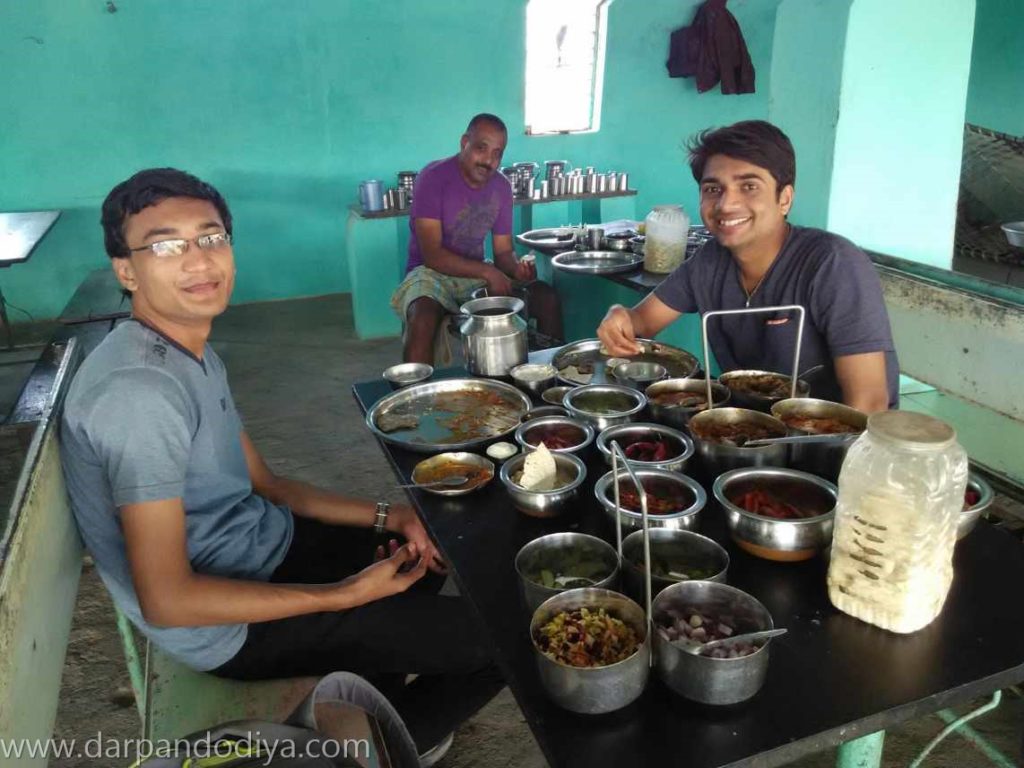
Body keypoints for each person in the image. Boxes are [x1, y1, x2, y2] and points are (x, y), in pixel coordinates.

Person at [60, 168, 503, 762]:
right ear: (126, 269)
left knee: (426, 549)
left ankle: (367, 684)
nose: (198, 260)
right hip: (221, 626)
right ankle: (395, 743)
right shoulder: (139, 394)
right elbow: (168, 599)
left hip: (261, 546)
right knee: (501, 642)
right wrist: (340, 597)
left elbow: (266, 483)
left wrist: (394, 515)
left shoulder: (189, 346)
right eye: (166, 244)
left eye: (211, 237)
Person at [598, 120, 898, 412]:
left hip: (832, 441)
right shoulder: (709, 261)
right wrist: (619, 316)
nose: (726, 205)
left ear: (785, 199)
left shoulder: (833, 264)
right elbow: (644, 321)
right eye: (713, 189)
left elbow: (869, 403)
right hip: (747, 426)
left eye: (749, 186)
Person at [391, 113, 563, 363]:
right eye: (482, 148)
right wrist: (489, 273)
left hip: (474, 275)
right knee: (422, 316)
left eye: (497, 153)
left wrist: (516, 269)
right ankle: (414, 397)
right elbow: (433, 255)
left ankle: (546, 382)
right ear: (464, 143)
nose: (489, 161)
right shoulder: (433, 178)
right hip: (429, 272)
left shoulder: (502, 187)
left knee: (546, 298)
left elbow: (503, 252)